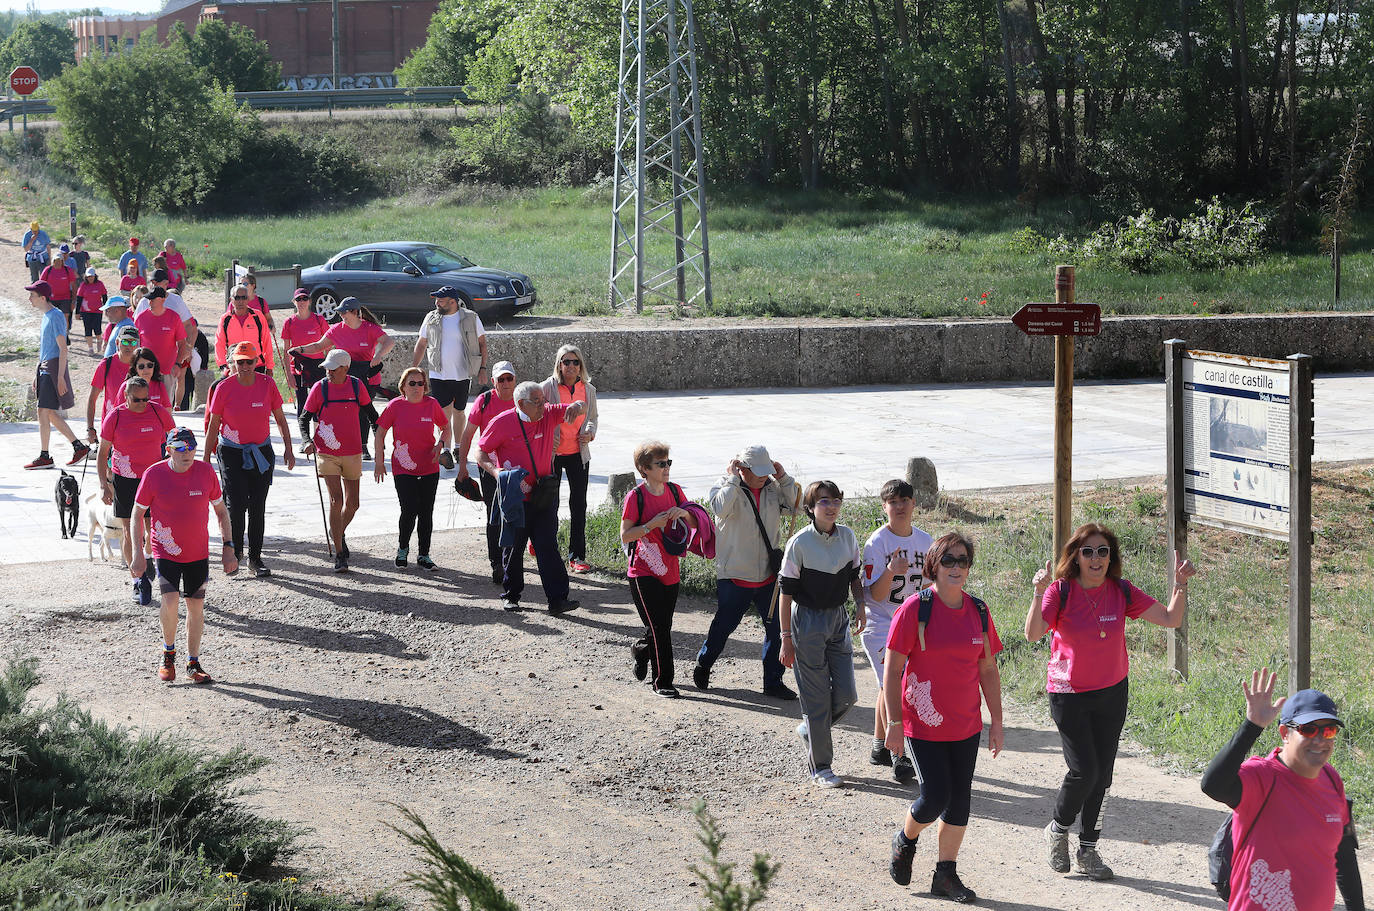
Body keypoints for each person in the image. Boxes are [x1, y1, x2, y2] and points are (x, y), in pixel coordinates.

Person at [1026, 524, 1197, 880]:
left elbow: (1170, 618)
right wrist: (1038, 593)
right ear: (1076, 556)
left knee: (1102, 775)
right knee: (1084, 770)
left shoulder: (1120, 590)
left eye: (1103, 551)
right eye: (1088, 551)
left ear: (1111, 557)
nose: (1096, 558)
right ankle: (1057, 829)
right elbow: (1032, 634)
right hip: (1068, 694)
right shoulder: (1061, 591)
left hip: (1111, 692)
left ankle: (1088, 849)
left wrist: (1180, 585)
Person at [886, 532, 1004, 903]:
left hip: (965, 725)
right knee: (935, 797)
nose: (956, 567)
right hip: (922, 723)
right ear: (934, 566)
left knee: (959, 803)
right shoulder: (914, 610)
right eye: (949, 560)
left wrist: (997, 721)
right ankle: (905, 839)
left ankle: (945, 875)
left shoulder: (979, 612)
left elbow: (988, 670)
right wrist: (893, 724)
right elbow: (892, 671)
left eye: (963, 561)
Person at [1201, 669, 1364, 911]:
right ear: (1284, 733)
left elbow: (1343, 854)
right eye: (1308, 730)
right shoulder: (1262, 777)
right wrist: (1252, 725)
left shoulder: (1331, 780)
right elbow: (1212, 785)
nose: (1319, 739)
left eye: (1328, 730)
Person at [691, 444, 799, 700]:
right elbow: (720, 508)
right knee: (724, 626)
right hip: (735, 574)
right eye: (758, 471)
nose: (763, 476)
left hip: (768, 575)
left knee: (775, 629)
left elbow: (796, 505)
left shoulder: (773, 488)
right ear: (742, 468)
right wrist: (731, 478)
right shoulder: (725, 486)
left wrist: (783, 478)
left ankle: (772, 682)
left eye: (767, 471)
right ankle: (704, 662)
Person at [778, 480, 865, 788]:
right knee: (816, 700)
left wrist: (861, 607)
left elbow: (855, 577)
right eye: (824, 501)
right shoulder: (799, 543)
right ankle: (821, 767)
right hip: (806, 622)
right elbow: (785, 594)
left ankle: (811, 731)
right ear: (811, 508)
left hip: (838, 619)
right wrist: (785, 637)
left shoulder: (848, 537)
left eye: (836, 501)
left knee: (847, 695)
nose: (831, 507)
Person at [131, 427, 234, 685]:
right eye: (180, 448)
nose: (187, 453)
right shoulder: (153, 475)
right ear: (169, 450)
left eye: (191, 447)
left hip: (197, 552)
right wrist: (137, 552)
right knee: (170, 599)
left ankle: (193, 662)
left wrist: (228, 546)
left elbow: (221, 511)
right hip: (165, 549)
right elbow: (136, 515)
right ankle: (168, 655)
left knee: (196, 606)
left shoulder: (206, 472)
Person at [475, 381, 584, 614]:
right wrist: (496, 472)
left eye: (544, 400)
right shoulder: (502, 422)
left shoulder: (548, 414)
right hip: (515, 496)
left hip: (544, 495)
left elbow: (580, 407)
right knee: (514, 548)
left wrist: (578, 404)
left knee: (547, 545)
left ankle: (557, 600)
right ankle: (511, 595)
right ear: (521, 404)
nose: (543, 405)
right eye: (537, 402)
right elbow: (480, 452)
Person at [860, 479, 932, 784]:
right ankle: (900, 755)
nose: (899, 507)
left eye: (905, 500)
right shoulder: (877, 544)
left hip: (911, 623)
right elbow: (874, 595)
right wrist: (891, 570)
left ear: (914, 504)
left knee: (886, 685)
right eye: (893, 502)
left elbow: (930, 587)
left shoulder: (926, 541)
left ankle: (879, 746)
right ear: (884, 507)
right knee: (899, 684)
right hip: (880, 624)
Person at [205, 341, 296, 578]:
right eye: (240, 362)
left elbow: (280, 418)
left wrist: (289, 448)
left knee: (257, 506)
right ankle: (235, 555)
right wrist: (205, 459)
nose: (244, 366)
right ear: (232, 363)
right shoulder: (224, 388)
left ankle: (255, 558)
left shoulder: (267, 384)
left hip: (261, 453)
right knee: (235, 506)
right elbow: (214, 424)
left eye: (249, 362)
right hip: (231, 452)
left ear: (257, 362)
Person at [619, 441, 698, 697]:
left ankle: (641, 650)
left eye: (668, 463)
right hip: (642, 570)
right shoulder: (636, 497)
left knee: (661, 624)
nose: (666, 468)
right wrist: (651, 525)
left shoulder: (675, 492)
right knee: (660, 628)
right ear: (644, 469)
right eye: (660, 464)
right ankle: (662, 681)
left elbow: (696, 519)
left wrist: (683, 514)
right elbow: (626, 535)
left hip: (670, 570)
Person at [300, 349, 378, 571]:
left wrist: (379, 439)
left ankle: (337, 531)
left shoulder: (356, 386)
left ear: (345, 368)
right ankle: (339, 553)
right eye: (327, 368)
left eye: (332, 369)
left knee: (353, 504)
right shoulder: (320, 387)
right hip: (326, 452)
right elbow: (304, 418)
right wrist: (307, 441)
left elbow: (372, 415)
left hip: (352, 451)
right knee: (337, 500)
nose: (328, 372)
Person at [98, 375, 176, 595]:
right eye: (137, 400)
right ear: (126, 396)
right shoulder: (116, 416)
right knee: (130, 531)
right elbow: (103, 452)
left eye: (145, 399)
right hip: (125, 479)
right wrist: (104, 484)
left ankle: (149, 558)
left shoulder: (157, 411)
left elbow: (175, 439)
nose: (142, 404)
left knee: (154, 528)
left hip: (154, 478)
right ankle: (137, 581)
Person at [288, 297, 393, 451]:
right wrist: (301, 349)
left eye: (345, 312)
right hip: (344, 376)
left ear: (355, 312)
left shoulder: (369, 328)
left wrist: (378, 355)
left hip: (367, 377)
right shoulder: (337, 329)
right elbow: (318, 346)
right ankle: (345, 442)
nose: (342, 315)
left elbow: (389, 342)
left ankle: (363, 446)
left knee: (364, 411)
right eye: (341, 312)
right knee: (346, 410)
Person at [374, 367, 450, 570]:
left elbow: (446, 427)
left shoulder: (431, 404)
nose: (417, 387)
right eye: (412, 383)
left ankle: (424, 554)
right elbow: (380, 433)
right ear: (403, 387)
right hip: (403, 467)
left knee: (426, 512)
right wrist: (379, 462)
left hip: (429, 467)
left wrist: (440, 445)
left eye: (420, 383)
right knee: (409, 509)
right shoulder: (395, 406)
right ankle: (402, 549)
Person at [412, 285, 487, 469]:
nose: (437, 303)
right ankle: (445, 449)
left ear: (453, 302)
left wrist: (483, 368)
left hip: (463, 373)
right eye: (437, 300)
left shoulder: (471, 318)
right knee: (444, 413)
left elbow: (482, 343)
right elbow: (422, 344)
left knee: (459, 411)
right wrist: (413, 369)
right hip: (438, 373)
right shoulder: (431, 318)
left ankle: (458, 447)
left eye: (441, 300)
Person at [457, 360, 518, 584]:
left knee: (516, 513)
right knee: (494, 514)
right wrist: (462, 466)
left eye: (509, 378)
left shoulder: (521, 399)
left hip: (517, 468)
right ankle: (496, 563)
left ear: (515, 380)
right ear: (493, 382)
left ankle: (512, 557)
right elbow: (467, 435)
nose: (505, 383)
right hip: (490, 467)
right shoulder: (485, 401)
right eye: (500, 379)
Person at [539, 344, 597, 573]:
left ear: (580, 365)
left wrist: (590, 431)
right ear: (559, 365)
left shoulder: (588, 389)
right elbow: (538, 415)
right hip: (552, 454)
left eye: (575, 362)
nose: (571, 366)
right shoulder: (546, 387)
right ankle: (543, 546)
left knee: (578, 505)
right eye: (566, 361)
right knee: (548, 505)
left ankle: (577, 556)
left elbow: (592, 417)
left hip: (578, 454)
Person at [24, 280, 90, 470]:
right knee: (49, 413)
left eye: (32, 296)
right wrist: (37, 371)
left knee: (43, 411)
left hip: (52, 369)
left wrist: (60, 376)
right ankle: (78, 447)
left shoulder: (55, 316)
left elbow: (63, 349)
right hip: (45, 367)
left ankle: (45, 456)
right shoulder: (46, 316)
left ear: (43, 298)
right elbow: (46, 347)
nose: (30, 299)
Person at [135, 269, 196, 407]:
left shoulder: (174, 308)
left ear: (166, 283)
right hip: (145, 368)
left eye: (156, 282)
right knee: (144, 403)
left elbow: (190, 328)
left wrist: (185, 354)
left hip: (168, 367)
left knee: (166, 404)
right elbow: (135, 338)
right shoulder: (143, 307)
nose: (153, 285)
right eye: (152, 282)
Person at [87, 324, 142, 440]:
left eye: (133, 343)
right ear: (117, 343)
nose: (129, 347)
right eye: (125, 342)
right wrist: (90, 428)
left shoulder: (143, 366)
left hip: (137, 426)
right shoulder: (106, 365)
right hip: (111, 428)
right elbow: (92, 399)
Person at [280, 288, 328, 418]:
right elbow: (286, 351)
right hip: (298, 367)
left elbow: (328, 345)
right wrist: (289, 375)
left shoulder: (319, 320)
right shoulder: (289, 322)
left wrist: (329, 366)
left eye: (304, 299)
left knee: (319, 402)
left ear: (309, 301)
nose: (301, 302)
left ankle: (319, 434)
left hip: (318, 366)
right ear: (294, 302)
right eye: (298, 299)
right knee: (302, 402)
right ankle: (304, 436)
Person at [215, 284, 274, 374]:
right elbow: (219, 344)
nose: (241, 301)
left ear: (248, 299)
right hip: (235, 367)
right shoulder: (225, 319)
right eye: (237, 298)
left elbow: (267, 342)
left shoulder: (258, 316)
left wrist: (269, 367)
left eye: (244, 297)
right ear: (231, 300)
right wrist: (223, 367)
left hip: (256, 365)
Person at [40, 243, 80, 333]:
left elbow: (74, 285)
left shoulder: (67, 270)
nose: (58, 262)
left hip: (65, 297)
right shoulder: (48, 270)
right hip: (51, 298)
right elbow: (41, 284)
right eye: (56, 260)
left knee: (65, 316)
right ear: (53, 261)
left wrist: (74, 300)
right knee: (51, 317)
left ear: (62, 261)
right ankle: (54, 335)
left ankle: (65, 336)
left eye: (60, 260)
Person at [127, 347, 173, 411]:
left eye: (150, 365)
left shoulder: (159, 386)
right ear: (135, 368)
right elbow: (118, 411)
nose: (146, 370)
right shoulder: (126, 387)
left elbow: (168, 410)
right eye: (141, 366)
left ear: (154, 366)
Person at [76, 267, 108, 355]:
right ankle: (90, 348)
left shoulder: (100, 284)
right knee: (88, 329)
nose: (90, 278)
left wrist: (106, 308)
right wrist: (77, 312)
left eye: (92, 276)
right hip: (85, 311)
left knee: (97, 329)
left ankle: (99, 341)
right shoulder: (83, 285)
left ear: (95, 276)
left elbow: (104, 296)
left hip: (97, 310)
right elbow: (79, 299)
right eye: (88, 276)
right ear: (86, 277)